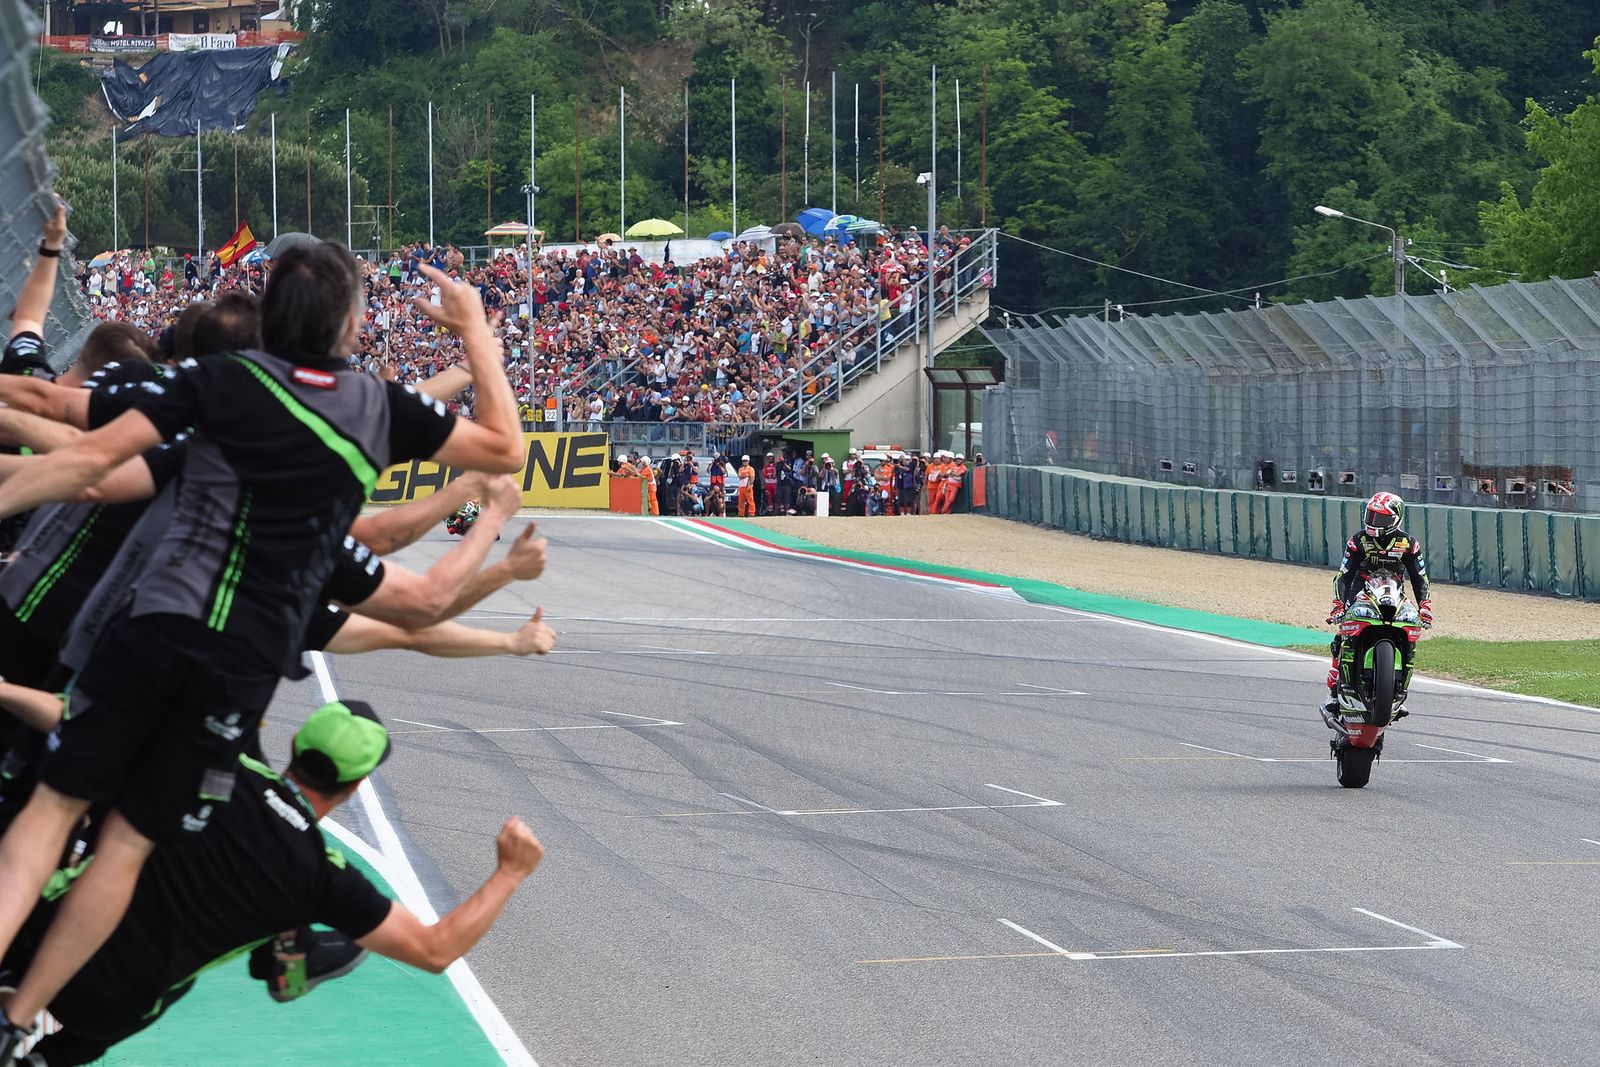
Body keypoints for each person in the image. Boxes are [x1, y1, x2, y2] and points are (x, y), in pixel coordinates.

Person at [0, 247, 526, 1054]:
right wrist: (476, 334)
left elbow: (92, 464)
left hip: (153, 626)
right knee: (129, 847)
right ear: (350, 326)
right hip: (242, 662)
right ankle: (14, 1020)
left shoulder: (219, 385)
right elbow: (498, 455)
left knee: (49, 811)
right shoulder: (375, 409)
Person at [2, 699, 544, 1066]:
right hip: (106, 1004)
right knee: (175, 980)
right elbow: (434, 949)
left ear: (294, 746)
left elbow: (85, 721)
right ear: (357, 785)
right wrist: (509, 873)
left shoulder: (223, 768)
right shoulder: (321, 874)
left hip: (38, 937)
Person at [1322, 491, 1433, 717]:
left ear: (1396, 519)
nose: (1374, 523)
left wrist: (1425, 606)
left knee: (1410, 629)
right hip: (1360, 590)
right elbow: (1344, 574)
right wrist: (1339, 604)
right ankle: (1334, 693)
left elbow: (1420, 576)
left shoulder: (1409, 544)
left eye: (1380, 519)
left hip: (1394, 592)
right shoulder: (1358, 540)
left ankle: (1399, 691)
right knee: (1342, 636)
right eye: (1371, 516)